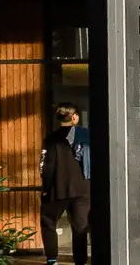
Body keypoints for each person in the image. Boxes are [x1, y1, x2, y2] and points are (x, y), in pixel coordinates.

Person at [38, 104, 92, 265]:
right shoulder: (86, 136)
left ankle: (52, 260)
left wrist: (46, 188)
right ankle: (80, 261)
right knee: (80, 227)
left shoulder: (51, 139)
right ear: (74, 117)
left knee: (48, 221)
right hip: (82, 189)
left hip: (57, 189)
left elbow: (46, 166)